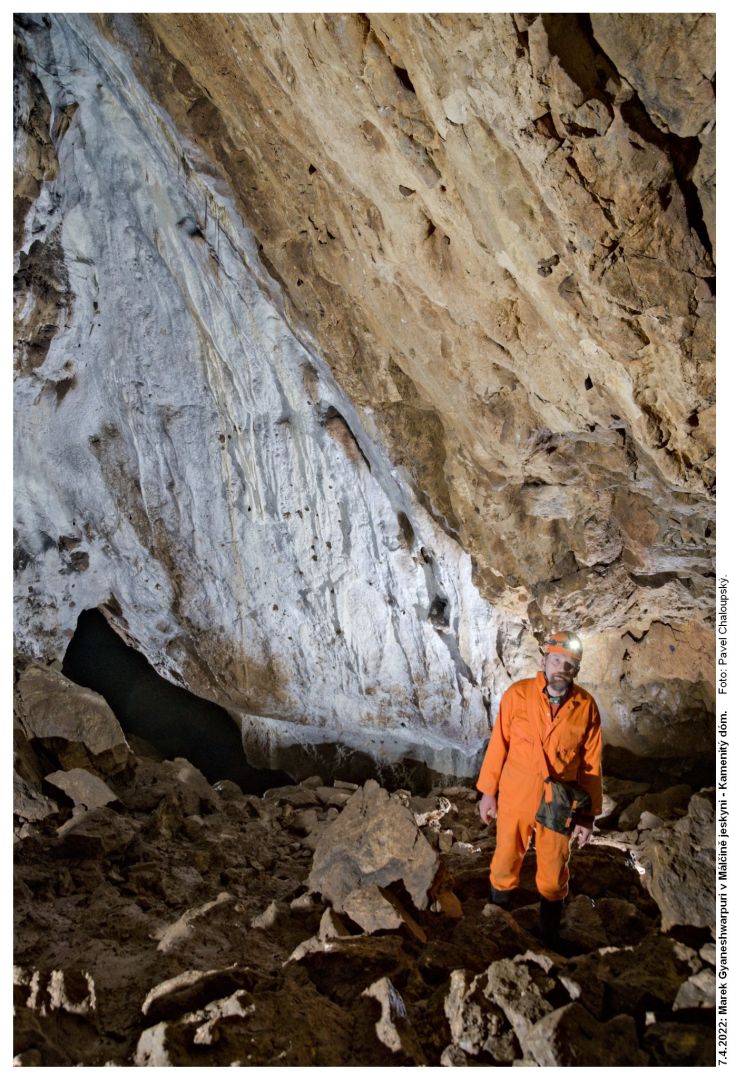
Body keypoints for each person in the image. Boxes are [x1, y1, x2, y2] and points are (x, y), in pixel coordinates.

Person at [476, 630, 602, 946]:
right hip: (517, 793)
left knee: (555, 865)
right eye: (556, 660)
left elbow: (591, 765)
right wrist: (488, 792)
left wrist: (587, 817)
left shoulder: (585, 706)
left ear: (575, 670)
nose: (561, 668)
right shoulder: (517, 695)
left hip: (559, 800)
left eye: (569, 664)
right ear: (544, 660)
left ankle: (548, 935)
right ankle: (496, 921)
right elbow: (498, 746)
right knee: (506, 856)